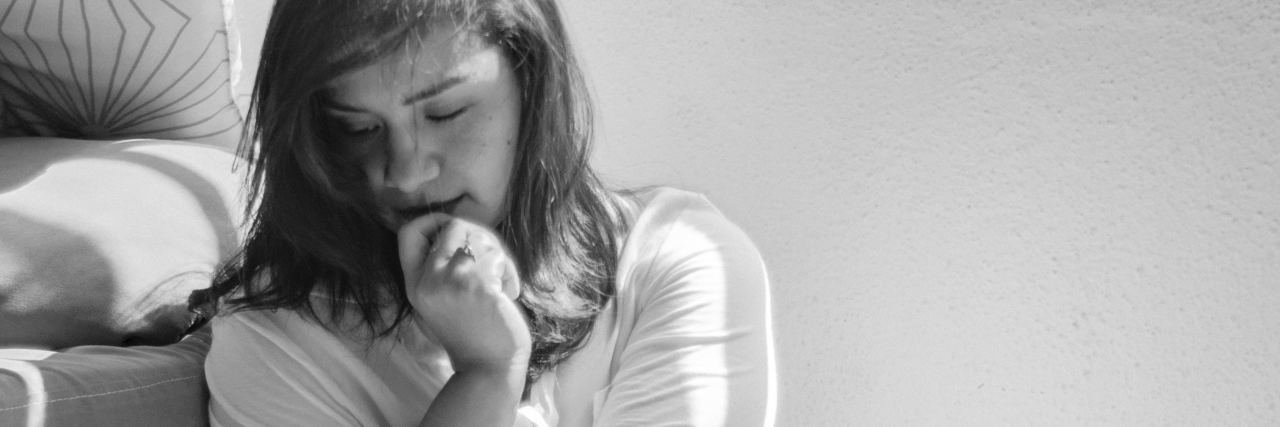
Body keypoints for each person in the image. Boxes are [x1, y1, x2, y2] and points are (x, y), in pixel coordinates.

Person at [195, 0, 775, 425]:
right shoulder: (274, 341)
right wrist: (487, 375)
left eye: (446, 113)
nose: (403, 173)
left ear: (532, 83)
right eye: (359, 129)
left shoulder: (677, 260)